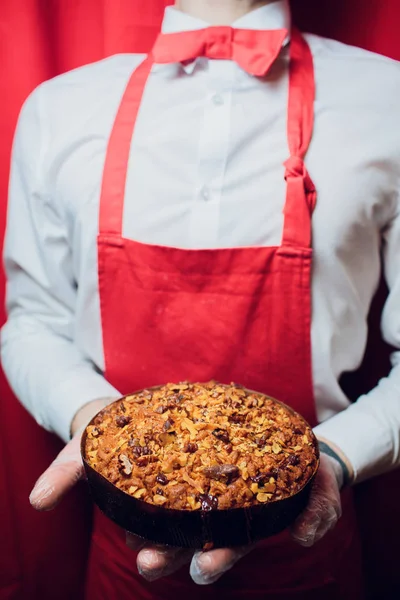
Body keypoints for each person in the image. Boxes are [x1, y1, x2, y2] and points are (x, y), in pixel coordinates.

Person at [2, 0, 400, 597]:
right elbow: (33, 321)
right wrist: (94, 425)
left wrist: (336, 458)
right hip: (125, 565)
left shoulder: (387, 100)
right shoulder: (59, 108)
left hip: (311, 563)